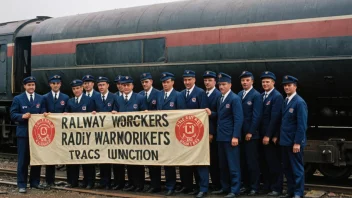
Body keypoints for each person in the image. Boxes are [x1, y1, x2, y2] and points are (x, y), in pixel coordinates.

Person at [206, 72, 243, 198]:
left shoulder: (234, 99)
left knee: (233, 165)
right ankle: (225, 187)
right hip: (221, 137)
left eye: (224, 84)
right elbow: (221, 116)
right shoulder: (220, 98)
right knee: (223, 165)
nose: (221, 87)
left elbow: (238, 119)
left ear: (230, 85)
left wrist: (235, 136)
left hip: (230, 137)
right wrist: (211, 113)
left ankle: (235, 189)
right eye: (220, 84)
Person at [10, 76, 45, 193]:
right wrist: (22, 116)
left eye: (33, 85)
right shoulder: (18, 99)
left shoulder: (40, 98)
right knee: (23, 159)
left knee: (36, 158)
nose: (31, 87)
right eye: (29, 85)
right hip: (23, 133)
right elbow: (13, 114)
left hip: (37, 134)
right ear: (25, 86)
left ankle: (35, 182)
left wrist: (45, 114)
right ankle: (22, 184)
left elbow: (43, 113)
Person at [179, 70, 209, 198]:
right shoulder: (180, 94)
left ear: (194, 80)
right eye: (185, 80)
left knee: (200, 161)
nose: (187, 82)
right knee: (186, 161)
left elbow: (203, 113)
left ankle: (202, 187)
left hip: (197, 134)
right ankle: (188, 186)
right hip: (183, 134)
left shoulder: (200, 93)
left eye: (189, 80)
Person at [114, 75, 147, 192]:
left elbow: (145, 115)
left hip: (136, 136)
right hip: (122, 136)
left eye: (128, 85)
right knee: (126, 160)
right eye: (124, 85)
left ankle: (139, 184)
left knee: (137, 161)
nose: (126, 87)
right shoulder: (117, 99)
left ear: (132, 86)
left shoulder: (140, 98)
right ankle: (131, 183)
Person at [156, 72, 186, 196]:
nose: (165, 84)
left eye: (167, 82)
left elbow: (182, 115)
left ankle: (176, 185)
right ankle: (169, 185)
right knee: (166, 160)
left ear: (172, 82)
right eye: (163, 82)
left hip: (174, 134)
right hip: (162, 133)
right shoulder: (159, 95)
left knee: (174, 161)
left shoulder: (178, 95)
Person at [62, 79, 95, 188]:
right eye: (74, 89)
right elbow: (65, 115)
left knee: (87, 159)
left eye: (78, 88)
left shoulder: (89, 100)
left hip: (86, 135)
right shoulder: (70, 101)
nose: (76, 90)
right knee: (72, 158)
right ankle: (72, 181)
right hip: (73, 135)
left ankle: (89, 182)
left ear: (82, 88)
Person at [279, 76, 308, 198]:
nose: (286, 87)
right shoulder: (286, 101)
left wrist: (297, 142)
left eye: (289, 85)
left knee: (297, 169)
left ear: (295, 86)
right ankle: (291, 191)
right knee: (287, 168)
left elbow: (302, 125)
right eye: (285, 85)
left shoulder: (299, 102)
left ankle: (298, 193)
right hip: (285, 141)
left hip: (293, 142)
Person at [42, 75, 69, 188]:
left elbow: (67, 111)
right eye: (53, 83)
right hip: (49, 131)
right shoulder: (44, 97)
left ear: (60, 84)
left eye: (57, 83)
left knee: (66, 155)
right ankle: (49, 181)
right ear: (50, 84)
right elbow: (42, 110)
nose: (56, 85)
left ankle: (70, 180)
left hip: (61, 131)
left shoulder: (66, 97)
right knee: (50, 156)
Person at [258, 71, 283, 196]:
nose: (265, 84)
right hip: (261, 135)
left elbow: (275, 118)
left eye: (267, 82)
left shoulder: (277, 96)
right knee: (264, 162)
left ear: (273, 83)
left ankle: (276, 188)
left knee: (273, 162)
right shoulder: (262, 95)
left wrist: (269, 135)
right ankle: (267, 186)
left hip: (269, 135)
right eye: (263, 82)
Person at [237, 71, 262, 196]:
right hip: (240, 134)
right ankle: (245, 185)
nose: (244, 82)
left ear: (252, 81)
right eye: (243, 80)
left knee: (252, 162)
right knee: (243, 162)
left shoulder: (256, 95)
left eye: (247, 80)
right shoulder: (240, 94)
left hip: (251, 135)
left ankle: (254, 187)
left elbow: (256, 116)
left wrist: (251, 132)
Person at [91, 76, 118, 189]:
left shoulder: (114, 97)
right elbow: (91, 111)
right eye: (99, 85)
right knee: (102, 158)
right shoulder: (95, 98)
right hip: (100, 133)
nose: (101, 87)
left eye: (103, 85)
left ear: (108, 85)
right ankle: (104, 182)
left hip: (112, 133)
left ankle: (116, 182)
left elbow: (117, 110)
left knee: (114, 158)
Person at [138, 72, 161, 193]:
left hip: (154, 132)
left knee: (154, 160)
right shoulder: (140, 95)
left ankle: (156, 185)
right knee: (144, 159)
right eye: (142, 82)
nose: (144, 84)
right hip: (143, 133)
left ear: (151, 82)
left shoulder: (158, 94)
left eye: (146, 82)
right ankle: (142, 184)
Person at [203, 71, 221, 192]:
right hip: (202, 133)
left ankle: (217, 184)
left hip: (213, 133)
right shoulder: (202, 94)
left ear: (215, 81)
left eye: (210, 80)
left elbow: (220, 115)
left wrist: (211, 133)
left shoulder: (218, 95)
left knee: (215, 160)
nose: (207, 82)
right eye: (205, 80)